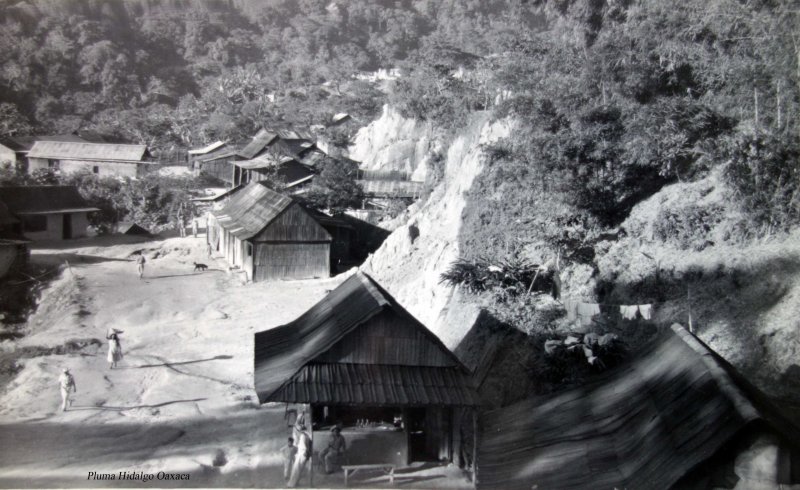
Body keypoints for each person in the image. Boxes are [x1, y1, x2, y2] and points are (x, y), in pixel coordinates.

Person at [287, 422, 311, 487]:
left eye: (297, 431)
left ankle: (292, 484)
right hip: (302, 453)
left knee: (296, 469)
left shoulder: (303, 436)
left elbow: (304, 447)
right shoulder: (305, 435)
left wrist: (302, 454)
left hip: (302, 454)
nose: (297, 432)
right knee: (297, 469)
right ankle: (294, 483)